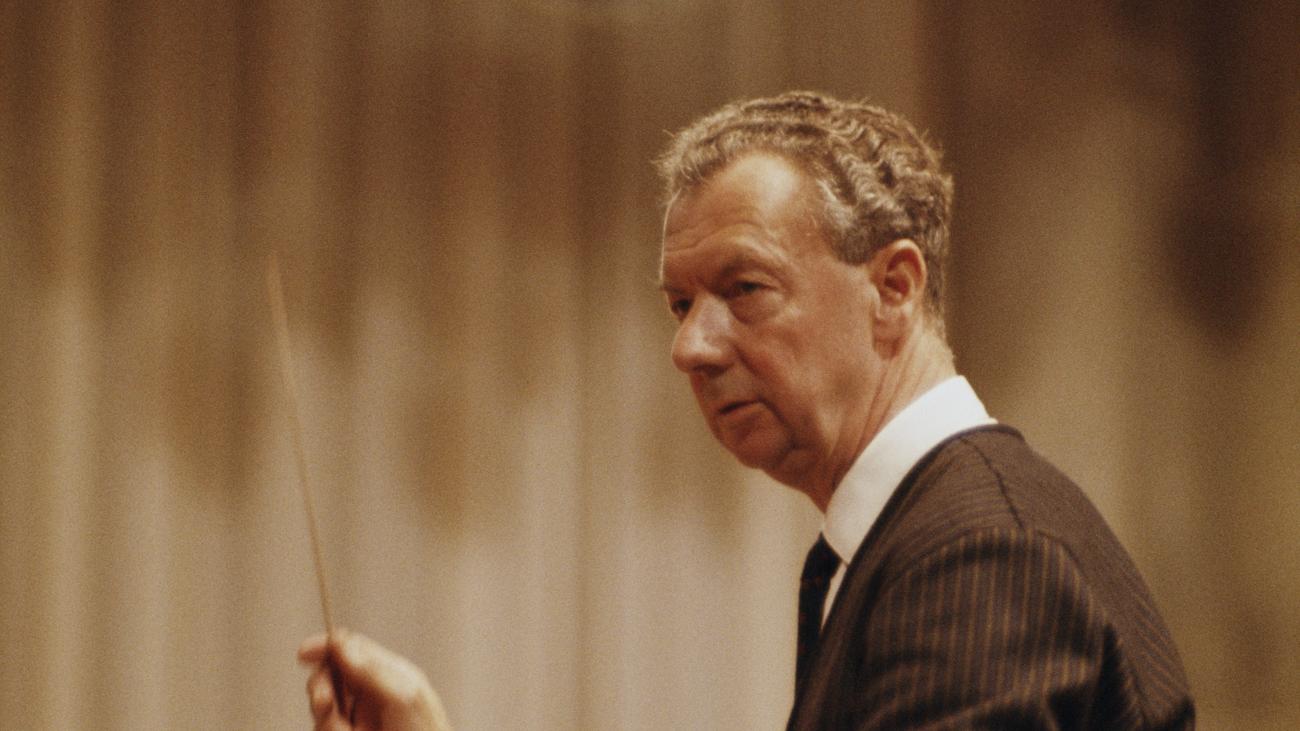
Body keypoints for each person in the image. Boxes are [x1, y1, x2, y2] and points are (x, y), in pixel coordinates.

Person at [300, 91, 1195, 729]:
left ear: (893, 288)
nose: (691, 346)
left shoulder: (979, 553)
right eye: (680, 304)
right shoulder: (925, 535)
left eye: (744, 288)